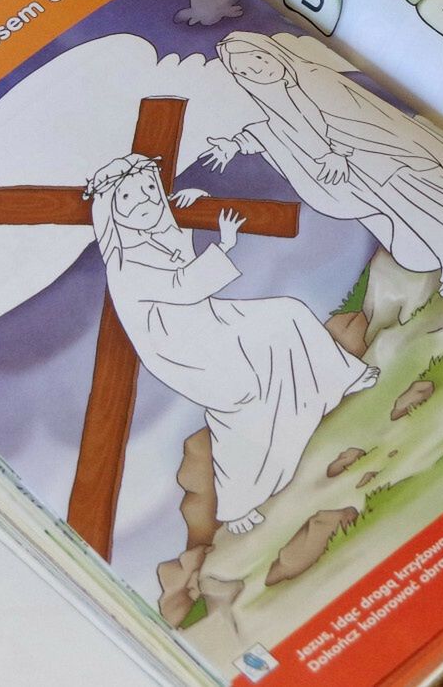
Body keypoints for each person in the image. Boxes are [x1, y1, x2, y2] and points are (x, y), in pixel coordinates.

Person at [84, 153, 378, 535]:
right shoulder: (126, 266)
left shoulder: (156, 229)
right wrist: (223, 245)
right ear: (112, 210)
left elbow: (177, 239)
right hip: (186, 352)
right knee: (241, 397)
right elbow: (183, 286)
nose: (144, 200)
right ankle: (238, 503)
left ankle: (343, 377)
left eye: (148, 189)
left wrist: (195, 201)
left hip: (215, 321)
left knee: (287, 313)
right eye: (128, 197)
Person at [201, 33, 443, 295]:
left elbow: (345, 117)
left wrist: (335, 151)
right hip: (362, 171)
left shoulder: (312, 77)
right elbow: (278, 130)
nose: (259, 70)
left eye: (258, 59)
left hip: (379, 153)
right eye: (247, 71)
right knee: (407, 210)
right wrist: (236, 143)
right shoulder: (277, 99)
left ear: (271, 53)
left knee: (427, 193)